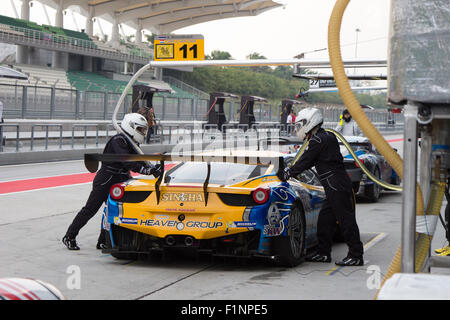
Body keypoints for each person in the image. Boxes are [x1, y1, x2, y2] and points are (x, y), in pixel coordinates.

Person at [278, 107, 364, 266]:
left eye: (301, 124)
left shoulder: (318, 140)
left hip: (335, 183)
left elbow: (306, 160)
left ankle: (356, 255)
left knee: (346, 220)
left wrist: (289, 172)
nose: (298, 129)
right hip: (335, 183)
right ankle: (323, 253)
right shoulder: (326, 135)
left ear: (310, 122)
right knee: (325, 220)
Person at [62, 113, 161, 250]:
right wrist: (145, 171)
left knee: (113, 212)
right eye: (140, 129)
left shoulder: (131, 142)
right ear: (131, 126)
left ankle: (103, 241)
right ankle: (69, 236)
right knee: (90, 209)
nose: (142, 133)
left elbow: (137, 160)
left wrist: (152, 168)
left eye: (143, 130)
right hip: (107, 178)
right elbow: (126, 160)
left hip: (121, 178)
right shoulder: (119, 140)